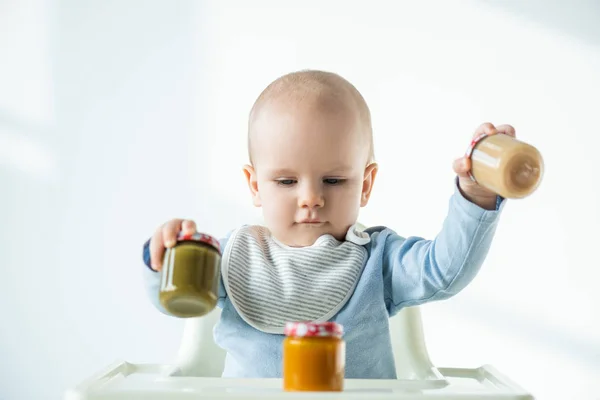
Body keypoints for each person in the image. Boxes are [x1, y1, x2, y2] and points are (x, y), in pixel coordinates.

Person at [141, 69, 511, 378]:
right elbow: (174, 296)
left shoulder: (378, 262)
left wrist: (475, 198)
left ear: (365, 185)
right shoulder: (233, 258)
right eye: (286, 181)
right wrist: (164, 258)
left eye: (333, 181)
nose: (310, 198)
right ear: (255, 185)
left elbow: (443, 271)